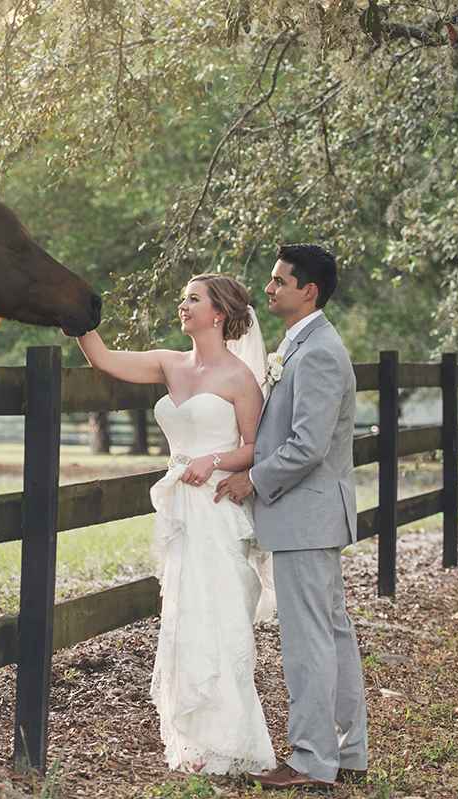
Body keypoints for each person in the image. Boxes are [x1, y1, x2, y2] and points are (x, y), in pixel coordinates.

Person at [74, 273, 277, 775]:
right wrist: (76, 320)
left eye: (193, 299)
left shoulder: (240, 378)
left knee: (221, 618)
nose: (182, 305)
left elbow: (257, 449)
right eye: (182, 298)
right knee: (184, 617)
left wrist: (213, 459)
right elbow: (105, 359)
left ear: (219, 314)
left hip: (217, 506)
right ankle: (195, 744)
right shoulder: (169, 362)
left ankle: (236, 743)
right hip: (179, 514)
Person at [215, 244, 369, 791]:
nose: (270, 288)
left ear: (309, 291)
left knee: (310, 641)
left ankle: (309, 760)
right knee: (332, 633)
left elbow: (307, 446)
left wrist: (251, 479)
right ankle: (348, 752)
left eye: (280, 281)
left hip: (308, 516)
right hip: (313, 517)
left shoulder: (320, 352)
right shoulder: (300, 345)